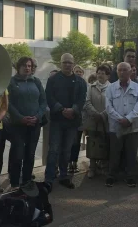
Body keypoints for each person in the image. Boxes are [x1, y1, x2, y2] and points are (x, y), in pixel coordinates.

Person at [44, 53, 87, 191]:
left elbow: (81, 100)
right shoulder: (53, 80)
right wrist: (61, 109)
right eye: (65, 62)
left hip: (72, 122)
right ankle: (49, 178)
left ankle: (63, 176)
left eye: (70, 62)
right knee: (54, 150)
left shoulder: (80, 82)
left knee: (66, 150)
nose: (68, 65)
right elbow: (49, 97)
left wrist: (73, 110)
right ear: (60, 63)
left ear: (74, 64)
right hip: (57, 120)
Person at [8, 57, 47, 190]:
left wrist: (37, 116)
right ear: (18, 67)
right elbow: (8, 103)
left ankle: (26, 181)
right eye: (24, 65)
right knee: (17, 155)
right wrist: (20, 118)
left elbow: (43, 101)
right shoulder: (12, 82)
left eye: (30, 66)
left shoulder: (36, 81)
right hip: (18, 125)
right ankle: (14, 183)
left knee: (30, 155)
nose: (27, 68)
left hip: (35, 124)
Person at [105, 62, 138, 187]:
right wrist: (120, 119)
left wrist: (129, 119)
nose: (122, 72)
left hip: (132, 126)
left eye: (125, 70)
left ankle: (130, 176)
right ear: (117, 72)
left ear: (130, 72)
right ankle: (112, 176)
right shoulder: (110, 88)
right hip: (116, 126)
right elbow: (108, 106)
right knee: (114, 153)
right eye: (120, 70)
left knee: (131, 152)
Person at [84, 65, 111, 178]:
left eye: (103, 73)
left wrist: (103, 114)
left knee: (105, 143)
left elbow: (113, 103)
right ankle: (92, 168)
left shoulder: (112, 87)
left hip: (107, 121)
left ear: (108, 75)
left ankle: (104, 167)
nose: (100, 75)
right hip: (93, 120)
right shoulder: (90, 87)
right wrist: (95, 113)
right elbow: (87, 102)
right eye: (99, 72)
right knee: (92, 143)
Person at [69, 65, 86, 174]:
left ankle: (74, 161)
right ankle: (68, 162)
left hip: (80, 118)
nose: (78, 73)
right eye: (77, 71)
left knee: (76, 143)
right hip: (70, 118)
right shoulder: (70, 84)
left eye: (80, 71)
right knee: (69, 142)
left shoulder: (85, 84)